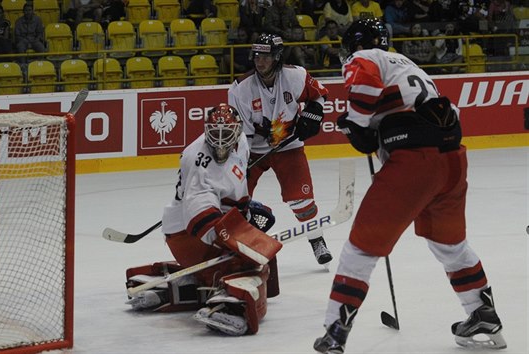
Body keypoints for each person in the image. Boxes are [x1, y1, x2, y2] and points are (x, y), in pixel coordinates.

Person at [313, 18, 507, 353]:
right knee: (450, 245)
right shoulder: (406, 63)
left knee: (360, 250)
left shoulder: (365, 58)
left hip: (415, 164)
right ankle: (481, 311)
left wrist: (356, 123)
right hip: (451, 162)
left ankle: (334, 332)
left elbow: (366, 88)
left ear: (356, 43)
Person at [125, 104, 282, 336]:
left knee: (257, 256)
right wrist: (243, 239)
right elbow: (202, 223)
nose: (220, 141)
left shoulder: (242, 142)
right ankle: (230, 304)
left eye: (226, 134)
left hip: (203, 225)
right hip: (189, 235)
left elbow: (229, 189)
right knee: (254, 263)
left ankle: (179, 286)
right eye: (215, 134)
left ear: (237, 131)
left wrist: (245, 211)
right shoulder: (200, 165)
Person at [228, 33, 334, 266]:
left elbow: (320, 95)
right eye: (256, 56)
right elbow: (241, 133)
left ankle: (317, 240)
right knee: (234, 200)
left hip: (289, 146)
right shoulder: (240, 88)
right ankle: (230, 246)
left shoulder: (296, 76)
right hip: (253, 149)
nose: (259, 61)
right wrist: (241, 162)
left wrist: (313, 114)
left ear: (276, 57)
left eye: (265, 56)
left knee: (302, 201)